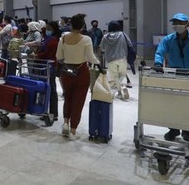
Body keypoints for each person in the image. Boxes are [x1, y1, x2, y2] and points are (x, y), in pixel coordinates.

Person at [155, 13, 189, 142]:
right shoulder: (168, 39)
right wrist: (158, 63)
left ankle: (187, 130)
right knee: (173, 103)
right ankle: (173, 129)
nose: (177, 26)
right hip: (174, 74)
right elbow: (160, 51)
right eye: (175, 23)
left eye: (180, 23)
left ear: (187, 25)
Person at [56, 13, 100, 141]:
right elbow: (91, 58)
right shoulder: (86, 39)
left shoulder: (62, 39)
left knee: (68, 98)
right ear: (82, 27)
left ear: (70, 25)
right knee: (78, 101)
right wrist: (99, 64)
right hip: (81, 72)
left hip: (67, 72)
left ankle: (65, 123)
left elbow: (59, 57)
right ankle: (73, 131)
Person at [100, 21, 133, 100]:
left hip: (110, 59)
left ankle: (119, 93)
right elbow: (130, 44)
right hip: (122, 57)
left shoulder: (105, 36)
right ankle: (124, 86)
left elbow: (102, 48)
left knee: (115, 76)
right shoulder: (123, 34)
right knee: (123, 74)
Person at [35, 21, 61, 122]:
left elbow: (48, 54)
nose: (47, 30)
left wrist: (37, 55)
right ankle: (43, 110)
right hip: (42, 66)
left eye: (49, 28)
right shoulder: (47, 38)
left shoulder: (54, 41)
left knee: (51, 90)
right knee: (44, 89)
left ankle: (53, 113)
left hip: (50, 67)